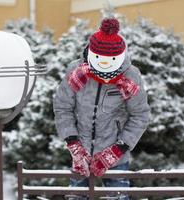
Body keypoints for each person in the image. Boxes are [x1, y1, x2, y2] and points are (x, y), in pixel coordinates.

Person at [53, 18, 151, 200]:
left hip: (116, 155)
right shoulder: (76, 72)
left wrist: (119, 149)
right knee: (76, 197)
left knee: (119, 198)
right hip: (80, 151)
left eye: (110, 61)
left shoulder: (130, 77)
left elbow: (140, 115)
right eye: (99, 60)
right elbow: (63, 107)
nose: (104, 66)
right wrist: (73, 143)